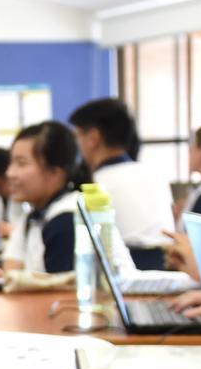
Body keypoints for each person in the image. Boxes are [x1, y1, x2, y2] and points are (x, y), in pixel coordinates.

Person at [0, 121, 133, 275]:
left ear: (55, 173)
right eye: (11, 163)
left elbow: (61, 293)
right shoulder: (34, 216)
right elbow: (11, 271)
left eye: (21, 164)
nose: (10, 173)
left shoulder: (68, 218)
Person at [69, 99, 176, 256]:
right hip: (169, 268)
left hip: (123, 272)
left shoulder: (94, 185)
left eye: (78, 136)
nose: (77, 144)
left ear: (93, 138)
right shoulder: (156, 174)